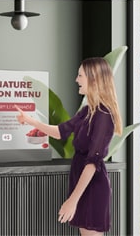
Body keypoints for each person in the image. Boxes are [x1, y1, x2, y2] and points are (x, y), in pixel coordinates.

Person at [16, 57, 123, 236]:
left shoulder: (103, 115)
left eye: (80, 75)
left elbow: (93, 163)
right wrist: (30, 120)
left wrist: (72, 200)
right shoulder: (88, 111)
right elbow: (60, 131)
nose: (76, 80)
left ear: (94, 79)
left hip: (92, 186)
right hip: (81, 183)